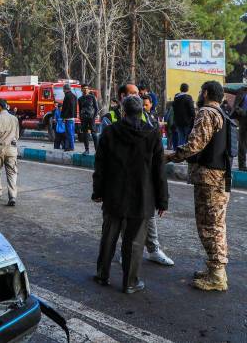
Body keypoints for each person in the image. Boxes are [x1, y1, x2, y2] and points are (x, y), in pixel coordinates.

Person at [93, 95, 168, 294]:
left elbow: (100, 165)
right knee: (135, 242)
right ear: (142, 112)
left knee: (108, 236)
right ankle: (130, 283)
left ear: (123, 112)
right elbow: (159, 171)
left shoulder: (109, 132)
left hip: (113, 195)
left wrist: (97, 192)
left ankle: (102, 274)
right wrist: (163, 201)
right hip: (141, 198)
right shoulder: (153, 134)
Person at [166, 81, 232, 291]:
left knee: (209, 226)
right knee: (216, 225)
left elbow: (195, 145)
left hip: (209, 179)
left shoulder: (206, 112)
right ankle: (215, 269)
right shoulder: (222, 113)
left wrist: (171, 156)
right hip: (220, 177)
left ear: (205, 93)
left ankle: (217, 276)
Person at [101, 83, 174, 266]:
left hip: (142, 181)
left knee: (147, 218)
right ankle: (124, 257)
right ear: (122, 96)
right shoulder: (110, 119)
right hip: (120, 181)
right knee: (120, 221)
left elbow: (156, 159)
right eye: (133, 93)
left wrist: (161, 195)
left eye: (139, 94)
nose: (139, 96)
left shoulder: (148, 119)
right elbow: (104, 155)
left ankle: (153, 249)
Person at [0, 99, 19, 206]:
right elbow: (17, 136)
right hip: (12, 149)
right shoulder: (14, 119)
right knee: (11, 173)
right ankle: (12, 196)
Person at [173, 83, 195, 149]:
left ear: (180, 89)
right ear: (187, 89)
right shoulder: (188, 97)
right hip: (187, 121)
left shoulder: (176, 98)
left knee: (180, 137)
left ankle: (179, 152)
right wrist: (194, 116)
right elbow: (191, 109)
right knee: (187, 138)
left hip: (178, 121)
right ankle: (185, 153)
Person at [78, 84, 99, 155]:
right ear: (81, 90)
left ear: (88, 89)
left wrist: (94, 116)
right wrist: (81, 118)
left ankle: (97, 150)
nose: (85, 90)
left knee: (94, 134)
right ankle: (86, 150)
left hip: (91, 118)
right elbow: (80, 109)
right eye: (83, 89)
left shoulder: (92, 97)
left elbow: (96, 108)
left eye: (86, 88)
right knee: (85, 134)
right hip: (83, 118)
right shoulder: (80, 99)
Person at [230, 86, 247, 171]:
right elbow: (230, 90)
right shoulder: (242, 90)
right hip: (244, 119)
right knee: (242, 143)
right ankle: (242, 165)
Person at [61, 84, 77, 151]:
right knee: (71, 133)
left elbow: (67, 107)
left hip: (68, 118)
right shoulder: (74, 96)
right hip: (72, 117)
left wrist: (64, 117)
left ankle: (71, 147)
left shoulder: (67, 96)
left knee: (69, 133)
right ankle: (68, 147)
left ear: (65, 89)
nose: (63, 91)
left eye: (63, 89)